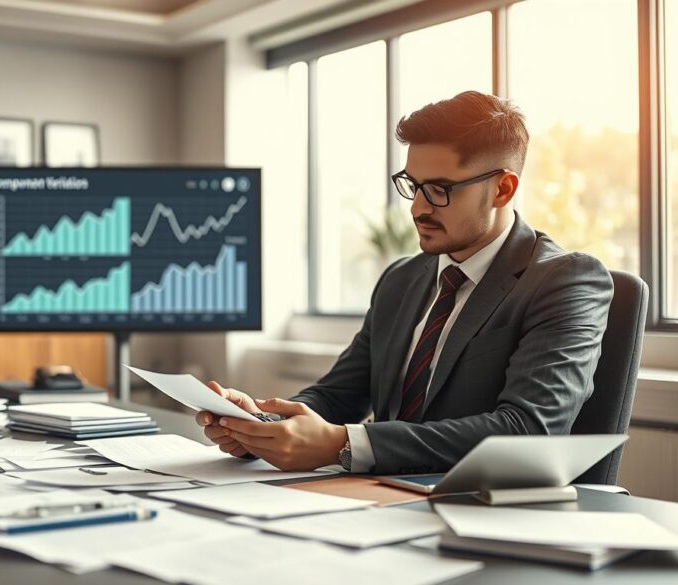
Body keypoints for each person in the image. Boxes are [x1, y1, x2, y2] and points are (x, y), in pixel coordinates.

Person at [197, 91, 613, 475]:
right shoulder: (402, 278)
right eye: (413, 186)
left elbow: (528, 430)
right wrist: (262, 425)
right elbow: (340, 394)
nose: (418, 208)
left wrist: (343, 443)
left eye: (439, 190)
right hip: (379, 499)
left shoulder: (564, 281)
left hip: (482, 509)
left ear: (503, 189)